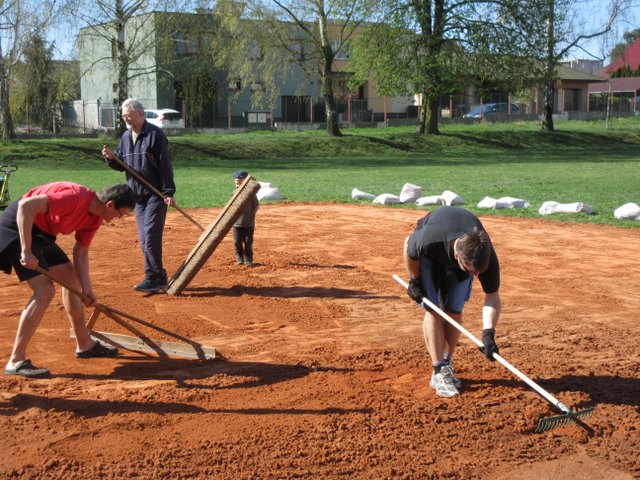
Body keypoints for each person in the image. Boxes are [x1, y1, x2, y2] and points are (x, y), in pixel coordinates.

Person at [0, 182, 136, 378]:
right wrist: (26, 250)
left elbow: (81, 252)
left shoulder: (95, 219)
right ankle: (16, 361)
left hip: (42, 233)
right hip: (18, 226)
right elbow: (26, 206)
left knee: (73, 282)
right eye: (121, 213)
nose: (119, 218)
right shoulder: (74, 197)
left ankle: (84, 344)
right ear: (110, 205)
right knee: (45, 291)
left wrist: (87, 289)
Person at [403, 206, 501, 398]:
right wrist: (414, 280)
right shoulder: (428, 240)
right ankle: (438, 369)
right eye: (471, 271)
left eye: (478, 272)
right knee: (434, 309)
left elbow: (493, 296)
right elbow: (408, 247)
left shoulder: (485, 257)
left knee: (454, 310)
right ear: (457, 257)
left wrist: (488, 333)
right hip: (431, 256)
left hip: (457, 255)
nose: (476, 276)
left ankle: (447, 362)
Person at [101, 98, 176, 293]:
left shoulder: (155, 135)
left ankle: (152, 277)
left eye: (129, 116)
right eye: (124, 116)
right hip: (137, 196)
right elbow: (120, 165)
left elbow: (165, 165)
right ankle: (159, 276)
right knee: (144, 239)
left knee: (151, 236)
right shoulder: (126, 137)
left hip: (155, 194)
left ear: (140, 114)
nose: (126, 119)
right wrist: (111, 158)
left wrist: (168, 192)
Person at [232, 170, 259, 266]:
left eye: (239, 182)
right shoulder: (234, 193)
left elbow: (256, 206)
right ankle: (239, 258)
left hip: (248, 223)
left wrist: (252, 216)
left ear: (245, 181)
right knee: (236, 242)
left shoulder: (251, 194)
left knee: (248, 242)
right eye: (236, 182)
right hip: (236, 223)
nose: (237, 184)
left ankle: (248, 259)